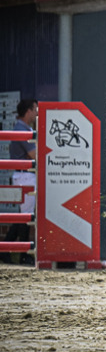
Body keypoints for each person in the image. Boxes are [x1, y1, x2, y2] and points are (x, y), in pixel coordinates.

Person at [2, 98, 37, 264]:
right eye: (35, 109)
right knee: (26, 216)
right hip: (25, 175)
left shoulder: (24, 128)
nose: (36, 113)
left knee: (23, 215)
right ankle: (23, 253)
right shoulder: (22, 129)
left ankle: (10, 251)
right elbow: (34, 155)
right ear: (28, 111)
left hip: (24, 175)